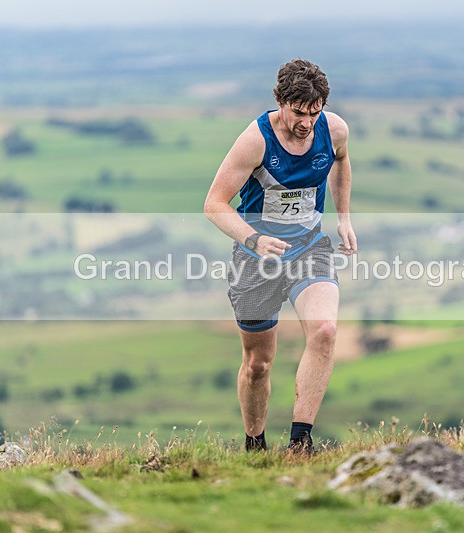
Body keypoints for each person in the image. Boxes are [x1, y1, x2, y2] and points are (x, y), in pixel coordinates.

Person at [204, 59, 356, 454]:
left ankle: (300, 443)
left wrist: (344, 218)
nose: (306, 122)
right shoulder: (255, 141)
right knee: (258, 364)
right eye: (298, 113)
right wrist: (253, 240)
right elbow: (215, 204)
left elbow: (341, 160)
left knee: (324, 331)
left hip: (309, 248)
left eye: (314, 112)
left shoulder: (334, 129)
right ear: (281, 102)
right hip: (256, 259)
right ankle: (255, 444)